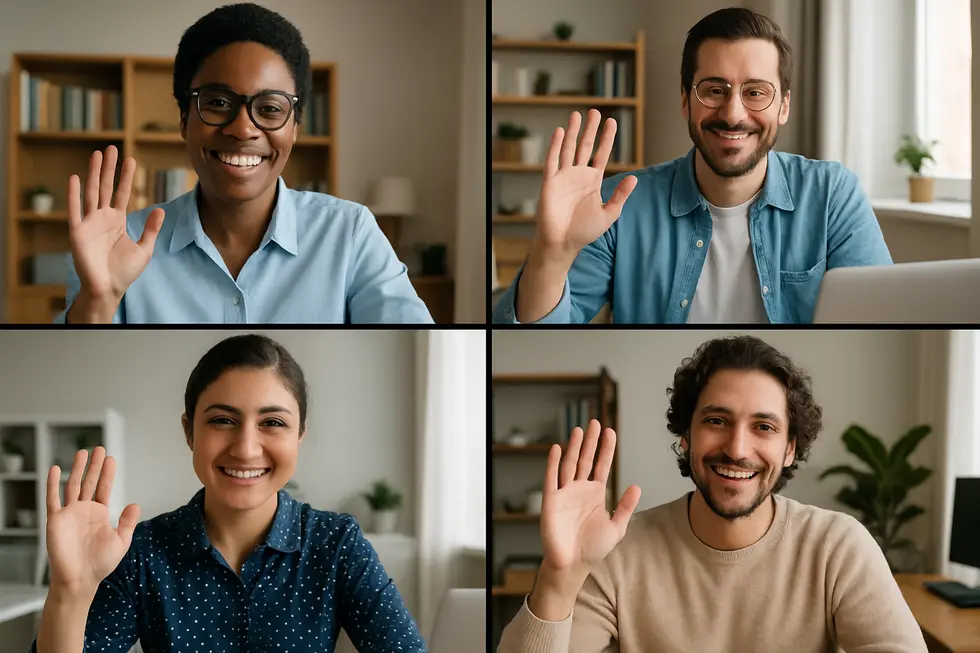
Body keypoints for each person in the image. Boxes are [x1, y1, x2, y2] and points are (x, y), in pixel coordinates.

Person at [497, 335, 927, 652]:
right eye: (717, 421)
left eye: (764, 427)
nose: (737, 449)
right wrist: (560, 575)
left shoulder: (838, 547)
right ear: (686, 435)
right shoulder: (617, 553)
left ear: (790, 449)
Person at [492, 7, 892, 325]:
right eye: (714, 90)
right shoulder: (616, 205)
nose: (733, 114)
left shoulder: (832, 195)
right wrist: (550, 255)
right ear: (686, 100)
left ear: (783, 106)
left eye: (756, 92)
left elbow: (882, 319)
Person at [31, 334, 427, 652]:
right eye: (223, 420)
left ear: (300, 436)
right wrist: (70, 591)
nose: (246, 448)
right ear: (189, 431)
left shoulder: (337, 543)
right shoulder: (141, 553)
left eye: (273, 422)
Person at [57, 3, 432, 324]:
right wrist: (97, 301)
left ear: (295, 128)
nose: (242, 129)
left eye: (269, 108)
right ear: (184, 120)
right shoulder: (120, 244)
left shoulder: (349, 234)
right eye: (218, 103)